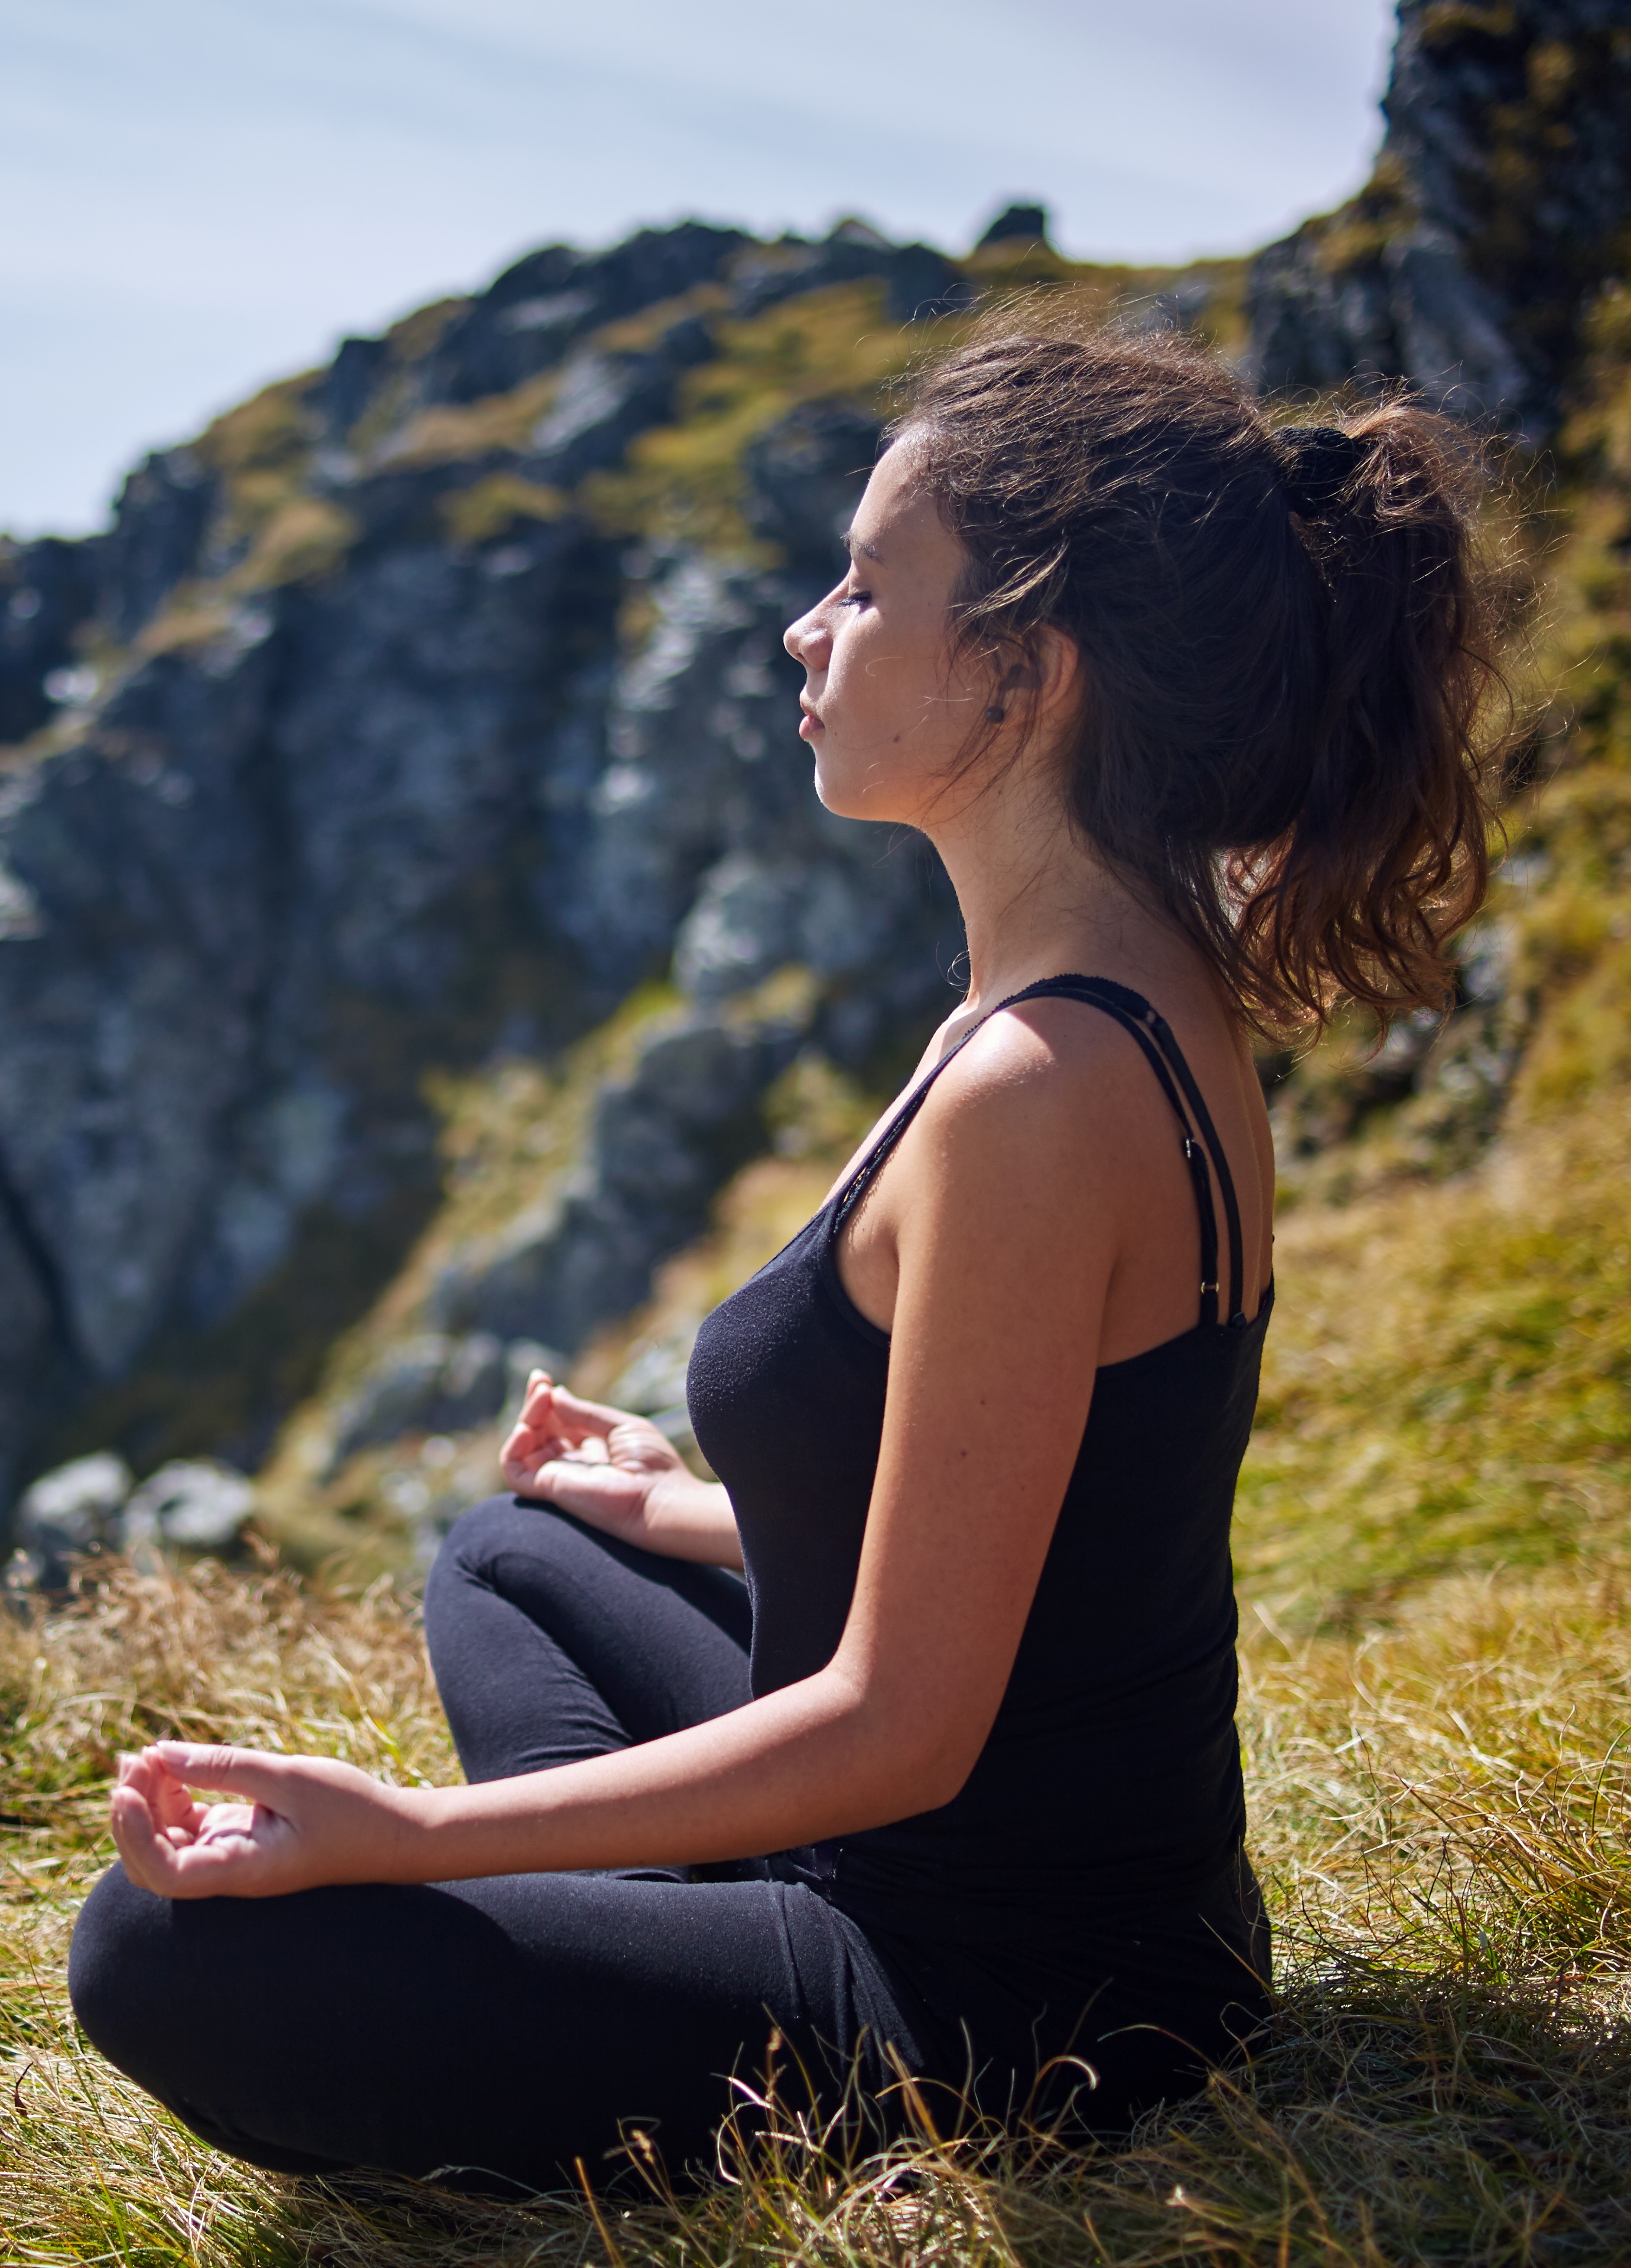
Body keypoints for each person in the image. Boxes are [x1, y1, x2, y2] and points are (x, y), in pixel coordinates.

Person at [69, 319, 1501, 2195]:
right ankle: (616, 1916)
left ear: (1021, 674)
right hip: (1035, 1882)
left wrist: (405, 1833)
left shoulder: (1039, 1092)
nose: (802, 630)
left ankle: (595, 1943)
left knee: (158, 1952)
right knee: (525, 1544)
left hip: (1006, 2001)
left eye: (865, 584)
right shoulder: (1102, 1005)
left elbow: (900, 1728)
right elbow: (1050, 1535)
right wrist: (677, 1509)